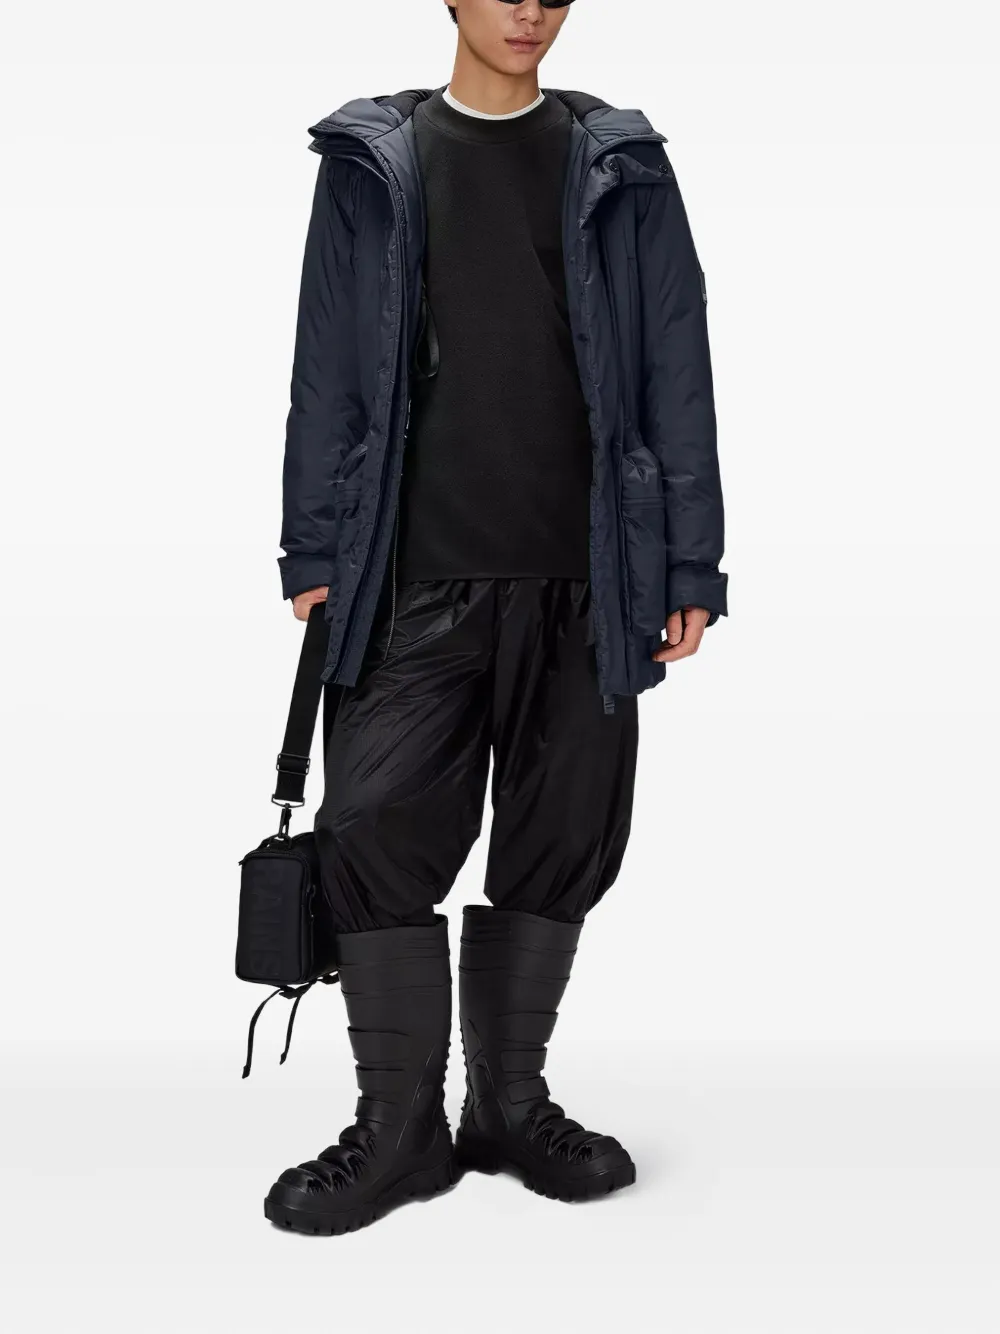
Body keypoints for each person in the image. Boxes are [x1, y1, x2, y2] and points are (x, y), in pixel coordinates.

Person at [265, 0, 726, 1235]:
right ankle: (398, 1128)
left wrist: (688, 560)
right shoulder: (374, 159)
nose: (529, 10)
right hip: (409, 572)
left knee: (564, 830)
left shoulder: (621, 161)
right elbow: (324, 363)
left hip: (588, 572)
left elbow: (674, 361)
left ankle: (508, 1106)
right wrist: (313, 543)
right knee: (373, 829)